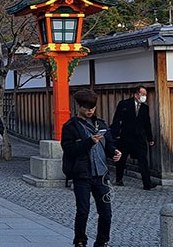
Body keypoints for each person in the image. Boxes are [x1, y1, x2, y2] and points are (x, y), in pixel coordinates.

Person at [61, 89, 121, 247]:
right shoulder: (70, 126)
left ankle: (102, 241)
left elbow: (109, 144)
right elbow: (69, 150)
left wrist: (115, 152)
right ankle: (80, 241)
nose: (90, 111)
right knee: (83, 211)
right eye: (87, 108)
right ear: (79, 106)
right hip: (82, 175)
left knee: (106, 213)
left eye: (93, 108)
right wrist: (89, 142)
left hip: (101, 175)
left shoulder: (100, 124)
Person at [110, 85, 155, 189]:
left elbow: (147, 124)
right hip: (125, 137)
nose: (144, 96)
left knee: (143, 160)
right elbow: (117, 120)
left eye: (145, 95)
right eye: (142, 94)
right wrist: (115, 135)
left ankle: (147, 183)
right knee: (121, 159)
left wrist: (150, 138)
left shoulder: (145, 108)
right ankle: (119, 179)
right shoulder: (124, 104)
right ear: (136, 94)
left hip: (139, 138)